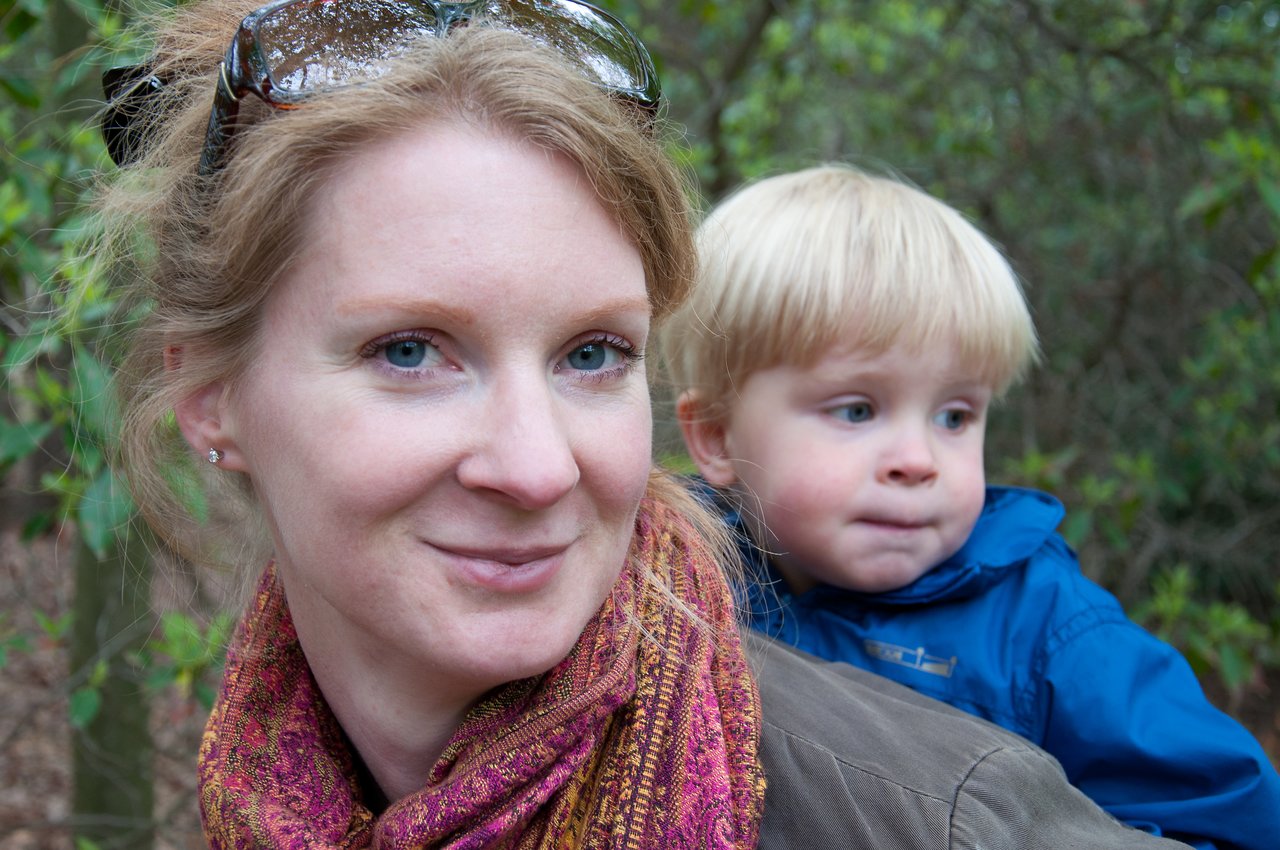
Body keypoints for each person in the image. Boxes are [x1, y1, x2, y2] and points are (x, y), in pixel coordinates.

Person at [97, 1, 1195, 846]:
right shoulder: (258, 787)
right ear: (213, 402)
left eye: (591, 353)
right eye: (411, 352)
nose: (534, 465)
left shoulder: (947, 817)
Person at [658, 163, 1280, 849]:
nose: (919, 459)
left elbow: (1231, 820)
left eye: (955, 417)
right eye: (858, 409)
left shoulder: (1044, 628)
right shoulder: (673, 578)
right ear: (715, 435)